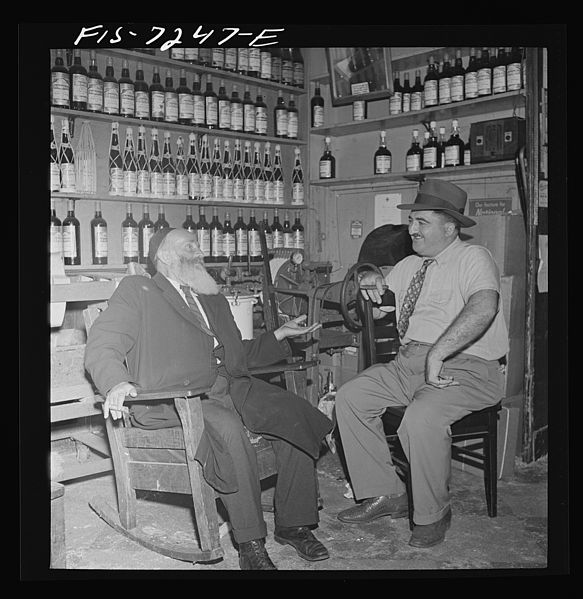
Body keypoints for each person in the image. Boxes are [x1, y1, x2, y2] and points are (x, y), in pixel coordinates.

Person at [84, 227, 333, 570]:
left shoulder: (209, 295)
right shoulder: (139, 290)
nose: (200, 253)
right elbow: (103, 343)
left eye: (199, 246)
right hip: (178, 400)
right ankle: (251, 544)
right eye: (191, 247)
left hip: (229, 388)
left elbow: (232, 355)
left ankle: (295, 524)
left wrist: (277, 335)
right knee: (228, 431)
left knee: (290, 411)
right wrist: (116, 382)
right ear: (165, 256)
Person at [335, 179, 509, 548]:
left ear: (450, 227)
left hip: (466, 366)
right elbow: (379, 286)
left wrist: (437, 353)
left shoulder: (473, 257)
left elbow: (484, 307)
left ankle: (433, 513)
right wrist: (369, 279)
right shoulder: (412, 264)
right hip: (409, 364)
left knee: (421, 418)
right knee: (351, 396)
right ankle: (388, 493)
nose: (411, 229)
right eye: (411, 220)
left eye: (421, 222)